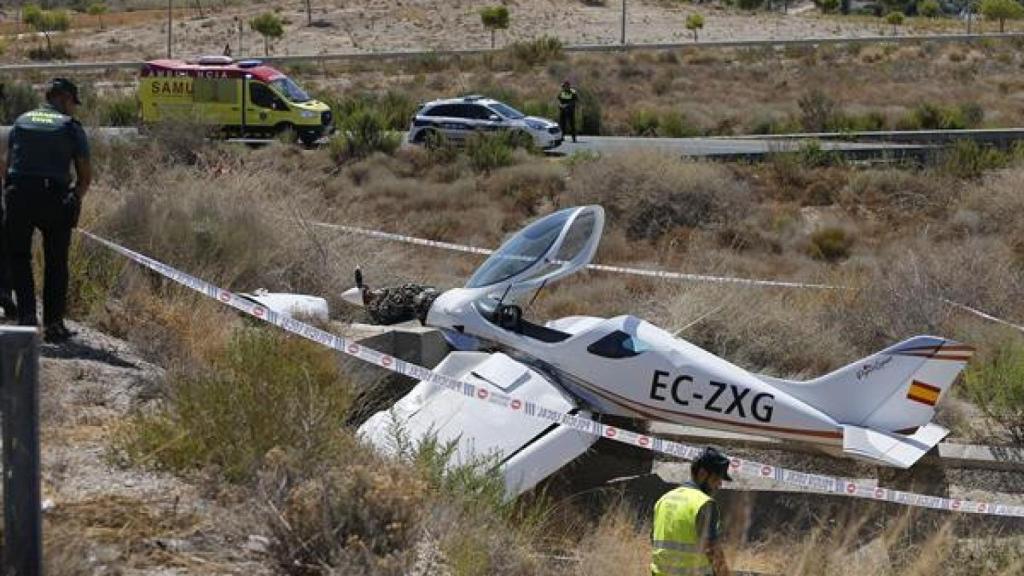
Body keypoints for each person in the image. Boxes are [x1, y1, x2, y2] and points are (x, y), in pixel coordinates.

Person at [4, 78, 91, 343]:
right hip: (54, 197)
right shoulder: (70, 126)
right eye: (72, 103)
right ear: (64, 99)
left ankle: (27, 318)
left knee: (19, 258)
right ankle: (54, 325)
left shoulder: (21, 121)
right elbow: (85, 174)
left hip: (19, 195)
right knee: (56, 263)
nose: (73, 109)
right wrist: (74, 197)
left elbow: (7, 165)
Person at [651, 447, 733, 576]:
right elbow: (712, 550)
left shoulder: (664, 500)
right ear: (702, 474)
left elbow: (655, 542)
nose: (719, 484)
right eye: (717, 478)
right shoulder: (704, 503)